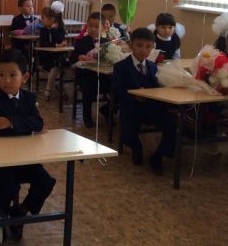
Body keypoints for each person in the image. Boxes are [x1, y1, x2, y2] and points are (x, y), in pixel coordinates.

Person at [0, 48, 56, 240]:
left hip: (25, 159)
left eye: (12, 75)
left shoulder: (29, 98)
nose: (6, 80)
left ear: (24, 77)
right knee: (8, 188)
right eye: (1, 75)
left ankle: (20, 212)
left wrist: (10, 122)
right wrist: (24, 126)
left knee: (46, 181)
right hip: (1, 161)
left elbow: (38, 123)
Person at [112, 28, 175, 174]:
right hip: (131, 108)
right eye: (139, 45)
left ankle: (158, 156)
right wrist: (134, 96)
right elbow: (117, 90)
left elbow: (157, 88)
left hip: (151, 108)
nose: (143, 50)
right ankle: (137, 147)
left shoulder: (153, 67)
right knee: (128, 133)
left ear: (152, 47)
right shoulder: (121, 67)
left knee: (172, 124)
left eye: (148, 46)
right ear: (131, 45)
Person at [72, 12, 111, 127]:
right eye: (90, 26)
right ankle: (87, 115)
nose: (93, 29)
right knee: (88, 88)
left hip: (103, 75)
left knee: (118, 85)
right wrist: (80, 57)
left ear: (103, 28)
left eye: (96, 26)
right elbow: (73, 57)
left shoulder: (106, 42)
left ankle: (107, 109)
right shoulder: (81, 41)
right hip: (86, 76)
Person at [35, 2, 67, 101]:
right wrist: (57, 45)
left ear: (52, 19)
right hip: (46, 57)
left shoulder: (59, 30)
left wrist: (53, 30)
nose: (41, 19)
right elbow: (45, 44)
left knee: (62, 65)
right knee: (56, 65)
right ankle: (49, 89)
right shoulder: (43, 30)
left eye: (43, 17)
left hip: (58, 56)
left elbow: (61, 41)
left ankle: (58, 86)